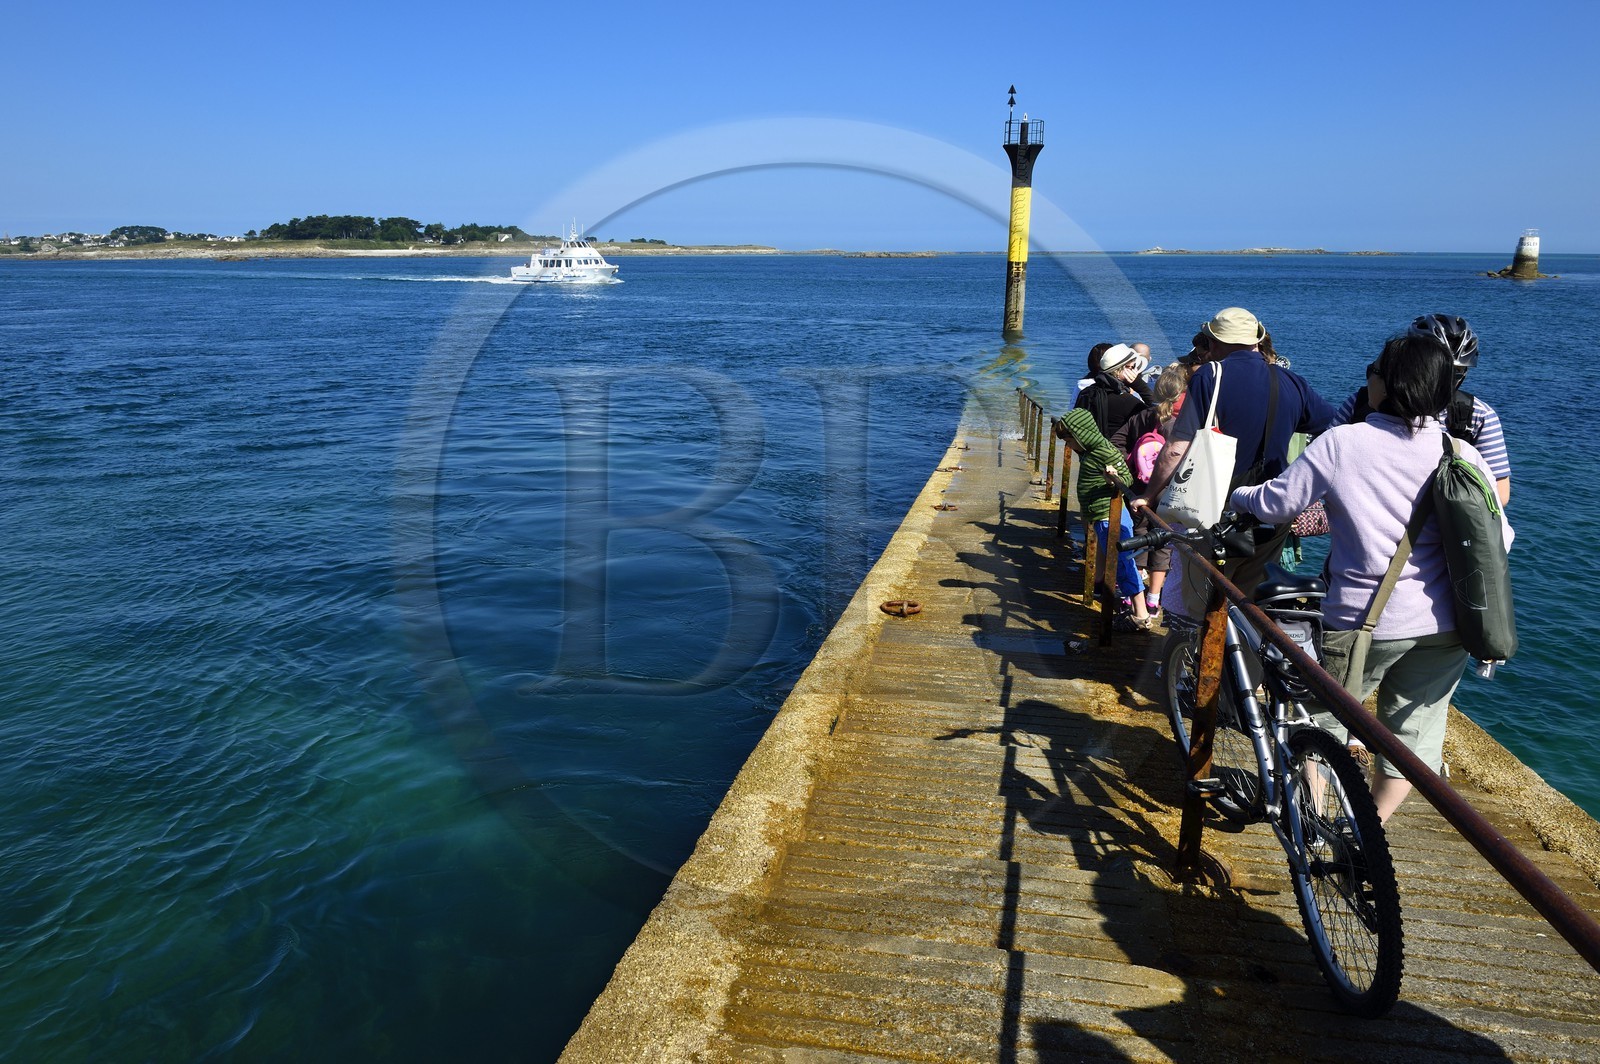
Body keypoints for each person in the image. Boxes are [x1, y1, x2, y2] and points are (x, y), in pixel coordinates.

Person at [1229, 331, 1513, 822]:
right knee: (1412, 737)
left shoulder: (1345, 441)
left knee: (1316, 720)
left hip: (1363, 623)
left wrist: (1238, 495)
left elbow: (1279, 504)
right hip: (1447, 629)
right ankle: (1367, 834)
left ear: (1385, 383)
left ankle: (1314, 822)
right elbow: (1501, 538)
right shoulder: (1461, 452)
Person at [1135, 307, 1337, 615]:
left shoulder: (1210, 376)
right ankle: (1240, 660)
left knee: (1202, 601)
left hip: (1217, 508)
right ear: (1257, 341)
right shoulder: (1291, 382)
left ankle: (1193, 661)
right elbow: (1332, 427)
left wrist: (1148, 496)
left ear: (1215, 342)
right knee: (1247, 604)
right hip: (1271, 508)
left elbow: (1176, 448)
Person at [1334, 314, 1511, 506]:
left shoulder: (1477, 417)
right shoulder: (1362, 402)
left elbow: (1500, 495)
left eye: (1454, 373)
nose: (1441, 380)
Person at [1054, 408, 1151, 630]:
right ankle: (1137, 610)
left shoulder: (1103, 451)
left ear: (1081, 435)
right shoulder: (1089, 450)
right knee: (1120, 562)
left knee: (1122, 564)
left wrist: (1111, 478)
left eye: (1069, 440)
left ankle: (1141, 614)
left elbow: (1125, 478)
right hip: (1101, 515)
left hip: (1109, 516)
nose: (1068, 445)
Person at [1113, 362, 1190, 621]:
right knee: (1165, 542)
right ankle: (1154, 599)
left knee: (1137, 536)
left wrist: (1130, 463)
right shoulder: (1184, 425)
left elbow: (1117, 441)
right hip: (1169, 492)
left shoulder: (1144, 416)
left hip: (1138, 488)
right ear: (1183, 394)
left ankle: (1130, 591)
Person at [1074, 342, 1151, 440]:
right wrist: (1139, 385)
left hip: (1090, 451)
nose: (1135, 372)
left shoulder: (1088, 392)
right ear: (1120, 370)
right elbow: (1158, 411)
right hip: (1118, 452)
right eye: (1131, 367)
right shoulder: (1126, 401)